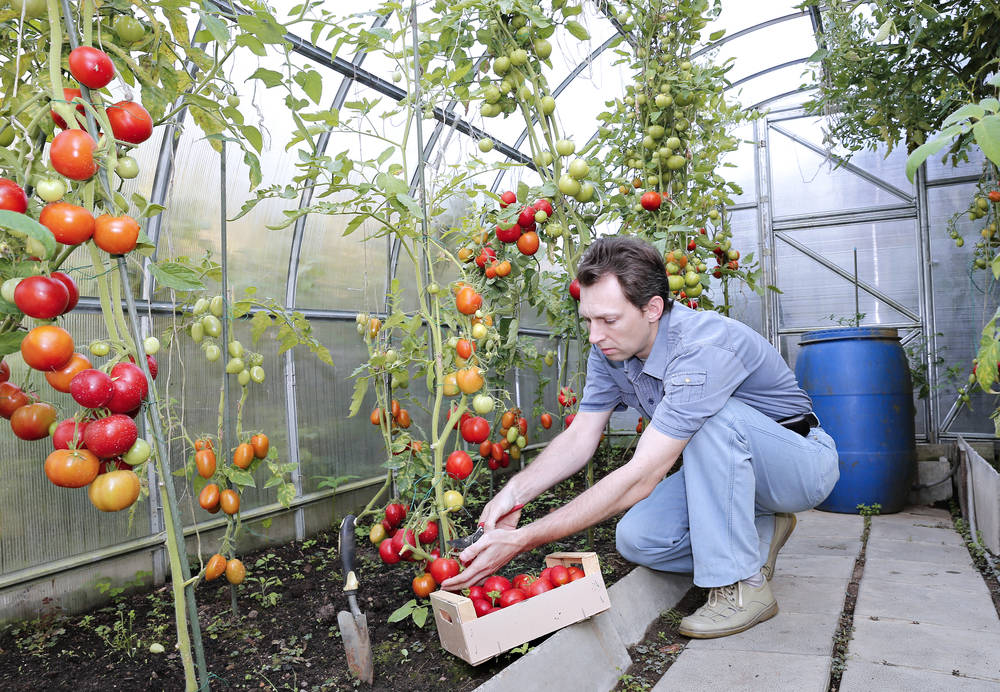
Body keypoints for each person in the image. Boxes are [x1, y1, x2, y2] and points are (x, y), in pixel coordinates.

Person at [440, 235, 839, 639]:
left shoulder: (700, 349)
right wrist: (514, 494)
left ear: (653, 309)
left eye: (608, 320)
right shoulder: (611, 349)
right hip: (735, 468)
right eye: (589, 320)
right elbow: (581, 436)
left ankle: (743, 589)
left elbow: (643, 474)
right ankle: (762, 530)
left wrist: (524, 539)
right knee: (639, 539)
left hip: (799, 463)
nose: (595, 335)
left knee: (715, 418)